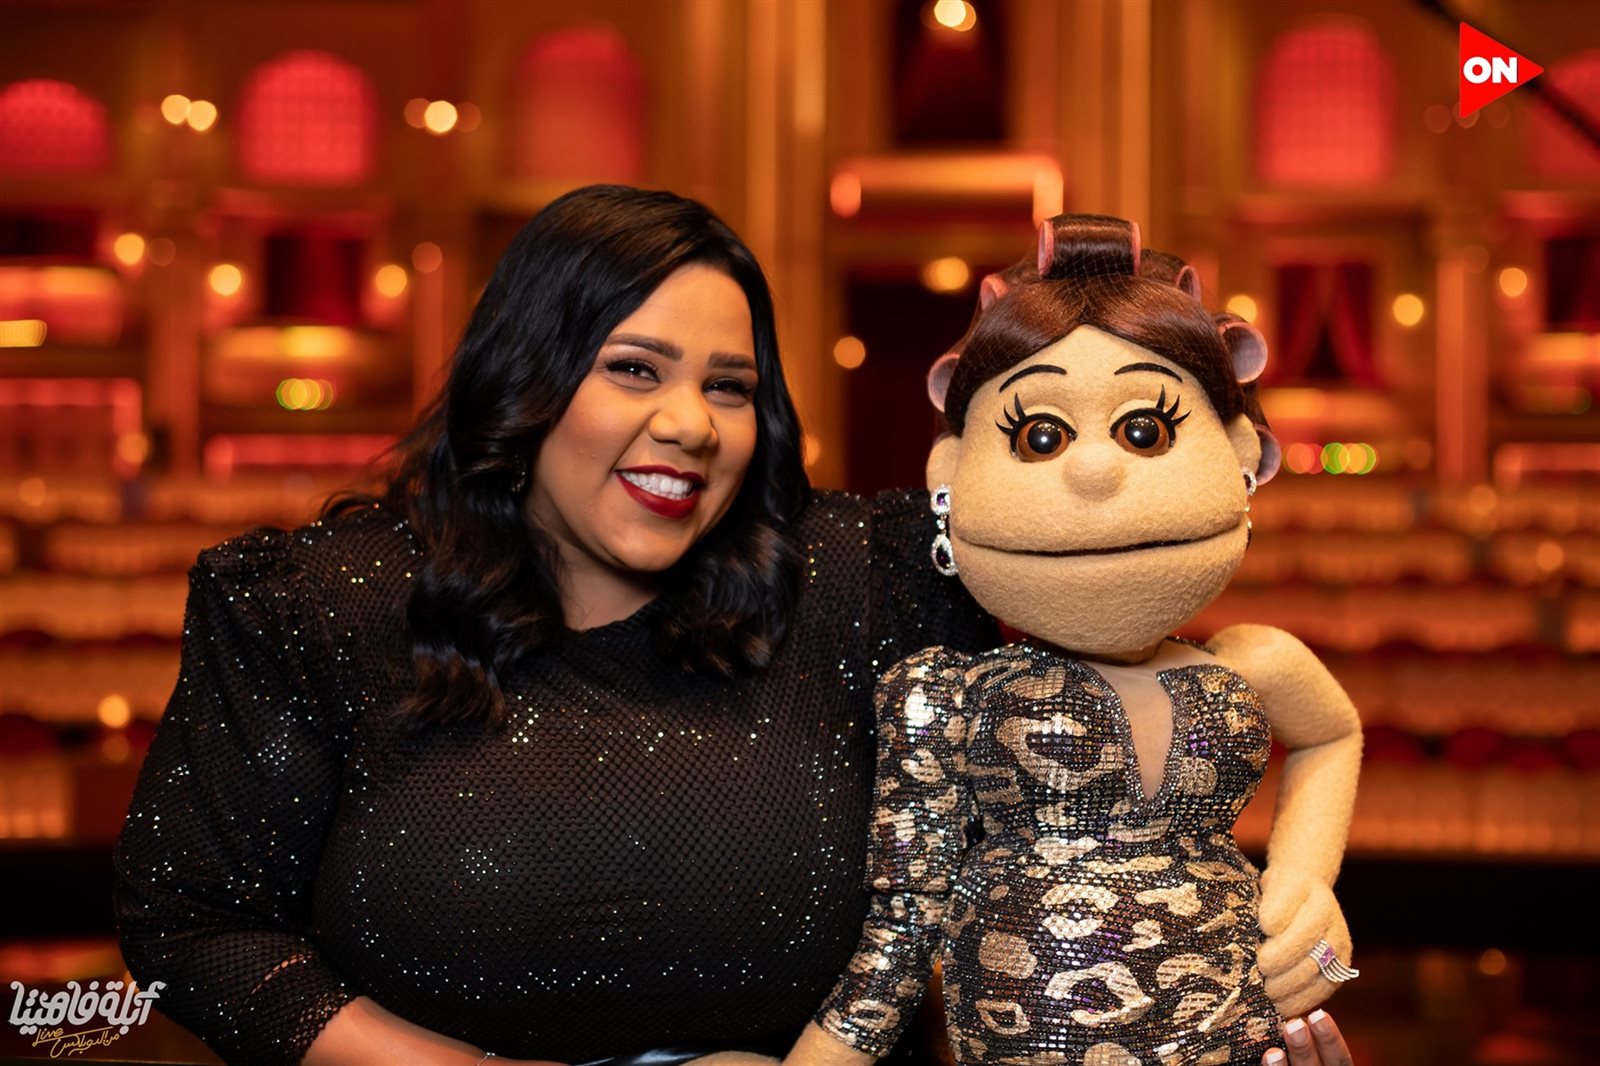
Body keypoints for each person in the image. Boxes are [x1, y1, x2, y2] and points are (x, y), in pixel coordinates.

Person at [113, 186, 1356, 1066]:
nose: (691, 425)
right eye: (634, 368)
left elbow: (1112, 663)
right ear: (524, 376)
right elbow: (196, 927)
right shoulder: (314, 606)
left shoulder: (864, 580)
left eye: (730, 385)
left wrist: (1282, 937)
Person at [788, 215, 1362, 1066]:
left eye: (1145, 429)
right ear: (949, 477)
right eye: (1041, 436)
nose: (1094, 470)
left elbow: (1331, 735)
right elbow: (900, 940)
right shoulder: (943, 696)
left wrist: (1314, 904)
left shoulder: (1254, 664)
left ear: (1242, 453)